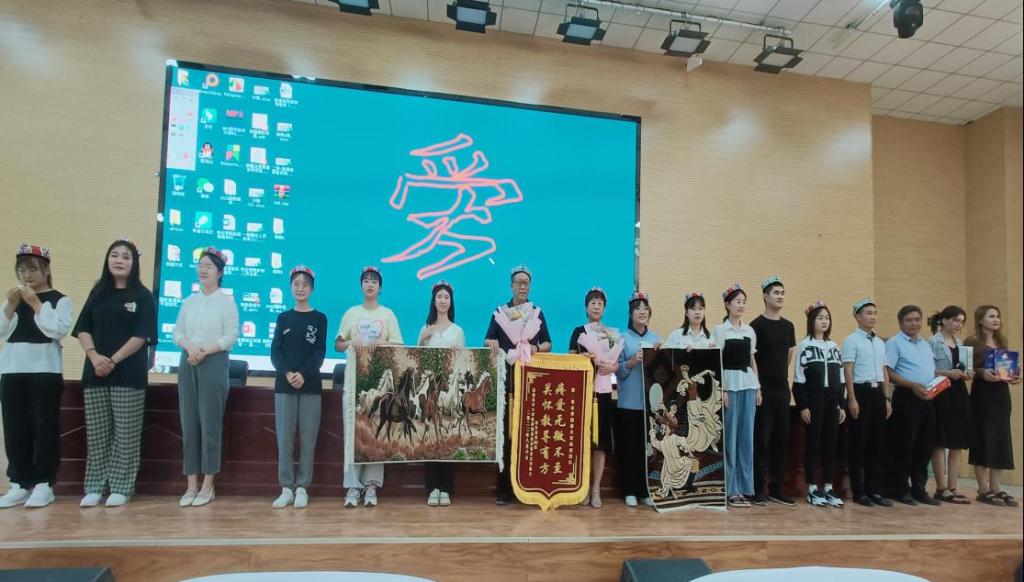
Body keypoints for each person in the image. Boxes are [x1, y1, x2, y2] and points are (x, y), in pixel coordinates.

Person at [72, 239, 157, 508]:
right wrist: (95, 356)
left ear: (134, 263)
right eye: (115, 255)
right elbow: (82, 328)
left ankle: (121, 487)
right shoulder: (98, 292)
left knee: (126, 436)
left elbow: (142, 335)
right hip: (95, 372)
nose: (119, 260)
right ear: (107, 260)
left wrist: (113, 360)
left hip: (128, 375)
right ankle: (95, 487)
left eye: (126, 257)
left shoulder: (142, 296)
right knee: (97, 435)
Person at [0, 244, 73, 509]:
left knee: (45, 428)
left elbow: (57, 330)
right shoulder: (13, 298)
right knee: (14, 428)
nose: (26, 275)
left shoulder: (59, 299)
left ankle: (44, 483)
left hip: (45, 370)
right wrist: (10, 305)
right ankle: (19, 483)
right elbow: (2, 331)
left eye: (32, 269)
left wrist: (34, 302)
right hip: (12, 369)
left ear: (46, 270)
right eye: (21, 270)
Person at [173, 246, 239, 507]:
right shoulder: (189, 302)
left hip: (213, 362)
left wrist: (203, 351)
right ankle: (191, 485)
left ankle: (208, 485)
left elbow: (231, 336)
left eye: (209, 266)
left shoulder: (227, 303)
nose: (203, 270)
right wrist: (190, 347)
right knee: (189, 424)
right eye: (200, 265)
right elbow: (177, 332)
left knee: (210, 425)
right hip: (188, 361)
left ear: (219, 272)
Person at [335, 266, 403, 508]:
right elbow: (338, 344)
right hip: (355, 381)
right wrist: (352, 342)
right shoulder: (351, 313)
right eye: (366, 280)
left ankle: (372, 485)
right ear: (361, 285)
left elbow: (399, 346)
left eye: (374, 281)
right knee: (353, 431)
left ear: (380, 287)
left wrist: (381, 344)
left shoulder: (388, 315)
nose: (370, 284)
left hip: (378, 380)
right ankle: (353, 486)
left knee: (376, 430)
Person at [484, 265, 551, 506]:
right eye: (519, 282)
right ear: (511, 285)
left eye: (526, 283)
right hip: (506, 381)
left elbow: (548, 344)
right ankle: (504, 489)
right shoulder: (500, 312)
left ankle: (525, 486)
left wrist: (535, 347)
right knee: (505, 435)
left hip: (530, 382)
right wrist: (491, 343)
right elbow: (487, 339)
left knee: (527, 433)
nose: (523, 286)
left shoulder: (536, 313)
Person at [270, 266, 327, 510]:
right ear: (291, 288)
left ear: (311, 289)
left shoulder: (319, 318)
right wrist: (288, 373)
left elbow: (319, 352)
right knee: (284, 439)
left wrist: (303, 374)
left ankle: (302, 487)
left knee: (307, 438)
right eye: (296, 284)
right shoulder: (283, 318)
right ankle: (286, 488)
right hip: (284, 386)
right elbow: (276, 351)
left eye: (305, 284)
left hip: (311, 385)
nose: (300, 288)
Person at [711, 283, 761, 508]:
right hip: (729, 386)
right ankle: (731, 489)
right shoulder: (719, 330)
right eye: (737, 302)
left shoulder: (749, 331)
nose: (741, 305)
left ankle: (745, 488)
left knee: (746, 439)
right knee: (730, 439)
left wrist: (758, 387)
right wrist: (721, 389)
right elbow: (717, 361)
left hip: (748, 385)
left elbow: (752, 360)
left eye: (743, 302)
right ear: (727, 305)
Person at [568, 287, 618, 508]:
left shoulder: (611, 334)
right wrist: (583, 357)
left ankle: (596, 489)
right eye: (593, 303)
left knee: (601, 443)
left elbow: (617, 363)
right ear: (586, 307)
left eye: (600, 304)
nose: (596, 307)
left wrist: (612, 367)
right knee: (583, 440)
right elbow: (570, 358)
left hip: (604, 393)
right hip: (583, 393)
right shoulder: (578, 331)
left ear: (604, 308)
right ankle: (582, 488)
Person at [792, 301, 846, 508]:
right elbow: (798, 380)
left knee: (831, 445)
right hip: (813, 400)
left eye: (827, 318)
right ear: (811, 321)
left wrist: (841, 404)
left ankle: (829, 488)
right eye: (820, 318)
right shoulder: (804, 346)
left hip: (832, 401)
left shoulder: (834, 347)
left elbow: (841, 378)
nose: (824, 321)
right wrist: (803, 406)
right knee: (813, 445)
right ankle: (813, 489)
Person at [884, 305, 939, 506]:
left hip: (927, 397)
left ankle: (919, 488)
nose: (914, 323)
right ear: (901, 323)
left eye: (917, 319)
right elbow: (888, 372)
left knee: (925, 445)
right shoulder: (894, 343)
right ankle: (900, 489)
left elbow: (930, 370)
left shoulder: (925, 344)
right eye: (909, 320)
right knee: (904, 445)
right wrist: (912, 385)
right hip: (906, 397)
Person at [749, 276, 796, 507]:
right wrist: (759, 385)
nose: (780, 296)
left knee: (781, 439)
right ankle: (759, 489)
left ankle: (777, 488)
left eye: (782, 292)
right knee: (762, 440)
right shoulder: (755, 325)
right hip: (763, 389)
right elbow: (751, 359)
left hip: (782, 389)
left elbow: (789, 354)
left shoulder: (788, 326)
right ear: (765, 296)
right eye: (776, 292)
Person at [965, 305, 1019, 507]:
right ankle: (983, 488)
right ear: (980, 320)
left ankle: (996, 487)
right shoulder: (972, 342)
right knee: (983, 438)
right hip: (982, 396)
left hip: (1001, 396)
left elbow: (1008, 366)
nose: (996, 319)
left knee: (1000, 440)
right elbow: (965, 368)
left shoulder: (1001, 341)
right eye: (991, 316)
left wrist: (1016, 374)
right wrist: (982, 373)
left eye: (998, 316)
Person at [418, 280, 465, 507]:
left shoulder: (458, 331)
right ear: (434, 301)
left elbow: (462, 362)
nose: (443, 301)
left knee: (446, 435)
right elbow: (417, 359)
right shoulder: (425, 329)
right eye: (439, 297)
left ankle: (445, 488)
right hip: (430, 390)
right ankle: (432, 487)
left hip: (448, 391)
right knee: (431, 435)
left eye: (446, 297)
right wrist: (422, 339)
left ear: (451, 301)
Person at [842, 298, 893, 508]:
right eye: (868, 313)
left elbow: (884, 371)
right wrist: (852, 398)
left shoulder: (879, 342)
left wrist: (887, 398)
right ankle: (859, 491)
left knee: (877, 444)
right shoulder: (851, 340)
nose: (873, 317)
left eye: (874, 313)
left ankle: (874, 490)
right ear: (858, 316)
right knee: (859, 444)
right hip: (860, 392)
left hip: (877, 393)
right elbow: (848, 370)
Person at [615, 290, 660, 507]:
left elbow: (663, 373)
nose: (642, 312)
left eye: (645, 308)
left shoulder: (656, 339)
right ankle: (629, 490)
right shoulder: (622, 338)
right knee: (629, 449)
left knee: (647, 450)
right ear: (630, 314)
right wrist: (633, 361)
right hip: (628, 403)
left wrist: (660, 357)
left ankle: (645, 490)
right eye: (637, 309)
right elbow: (618, 371)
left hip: (650, 405)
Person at [927, 305, 973, 505]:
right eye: (955, 320)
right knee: (939, 440)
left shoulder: (960, 343)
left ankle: (953, 486)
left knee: (957, 441)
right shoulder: (932, 342)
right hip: (941, 392)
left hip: (959, 393)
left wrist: (966, 374)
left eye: (962, 321)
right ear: (944, 320)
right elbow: (928, 369)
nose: (958, 325)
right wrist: (948, 373)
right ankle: (941, 487)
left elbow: (963, 368)